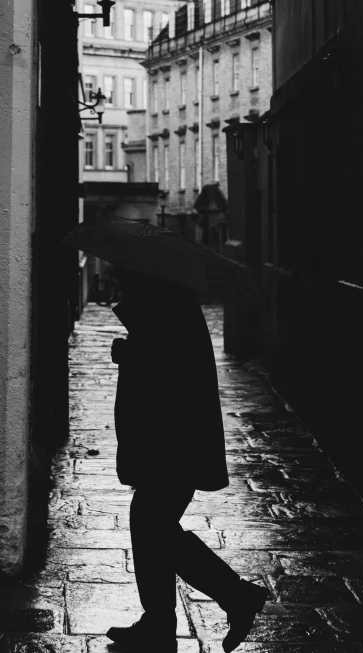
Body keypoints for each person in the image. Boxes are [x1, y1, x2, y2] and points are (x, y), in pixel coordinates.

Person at [105, 266, 269, 653]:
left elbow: (165, 378)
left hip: (172, 445)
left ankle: (234, 596)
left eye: (121, 275)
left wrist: (130, 355)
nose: (116, 280)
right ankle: (161, 622)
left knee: (153, 527)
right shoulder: (165, 305)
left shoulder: (164, 309)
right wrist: (130, 350)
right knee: (152, 527)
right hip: (171, 444)